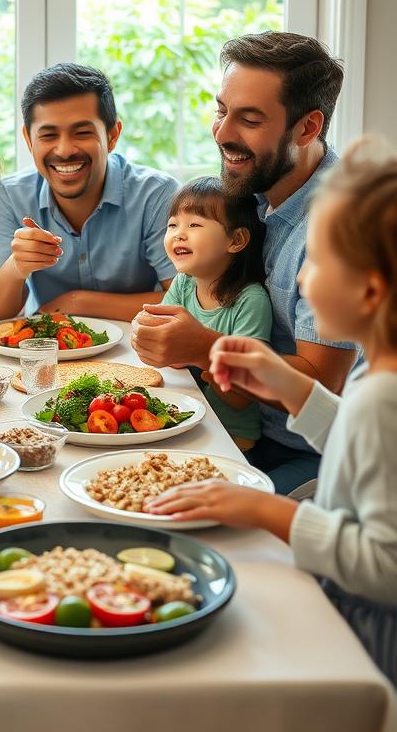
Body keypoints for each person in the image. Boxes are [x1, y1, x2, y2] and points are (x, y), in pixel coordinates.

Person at [147, 139, 397, 685]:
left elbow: (386, 567)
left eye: (319, 263)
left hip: (367, 644)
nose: (301, 280)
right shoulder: (377, 377)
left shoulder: (383, 397)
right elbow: (361, 445)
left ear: (371, 291)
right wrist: (293, 389)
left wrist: (267, 511)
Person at [132, 32, 357, 493]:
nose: (222, 133)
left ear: (308, 128)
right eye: (221, 111)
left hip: (312, 456)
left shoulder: (342, 228)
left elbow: (322, 387)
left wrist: (204, 348)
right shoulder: (251, 190)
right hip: (234, 423)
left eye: (249, 120)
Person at [0, 63, 178, 325]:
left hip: (138, 350)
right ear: (28, 140)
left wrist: (78, 302)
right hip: (51, 353)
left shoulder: (157, 194)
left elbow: (187, 301)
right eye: (48, 135)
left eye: (82, 133)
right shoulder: (12, 195)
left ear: (112, 135)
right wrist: (16, 266)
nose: (64, 150)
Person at [160, 177, 273, 451]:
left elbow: (242, 396)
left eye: (194, 225)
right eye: (173, 224)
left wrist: (199, 354)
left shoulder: (250, 300)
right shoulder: (184, 283)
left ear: (235, 240)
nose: (179, 233)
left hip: (231, 438)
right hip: (192, 421)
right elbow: (163, 345)